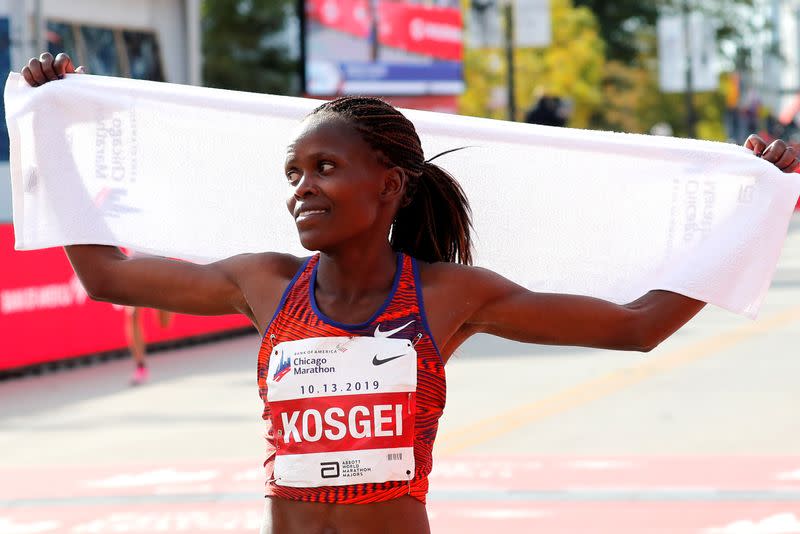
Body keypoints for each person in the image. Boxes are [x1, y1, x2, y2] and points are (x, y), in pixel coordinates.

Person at [21, 52, 800, 534]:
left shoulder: (447, 295)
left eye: (325, 168)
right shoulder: (261, 282)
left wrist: (753, 208)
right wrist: (52, 128)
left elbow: (639, 326)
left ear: (389, 187)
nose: (302, 188)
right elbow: (106, 275)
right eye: (293, 173)